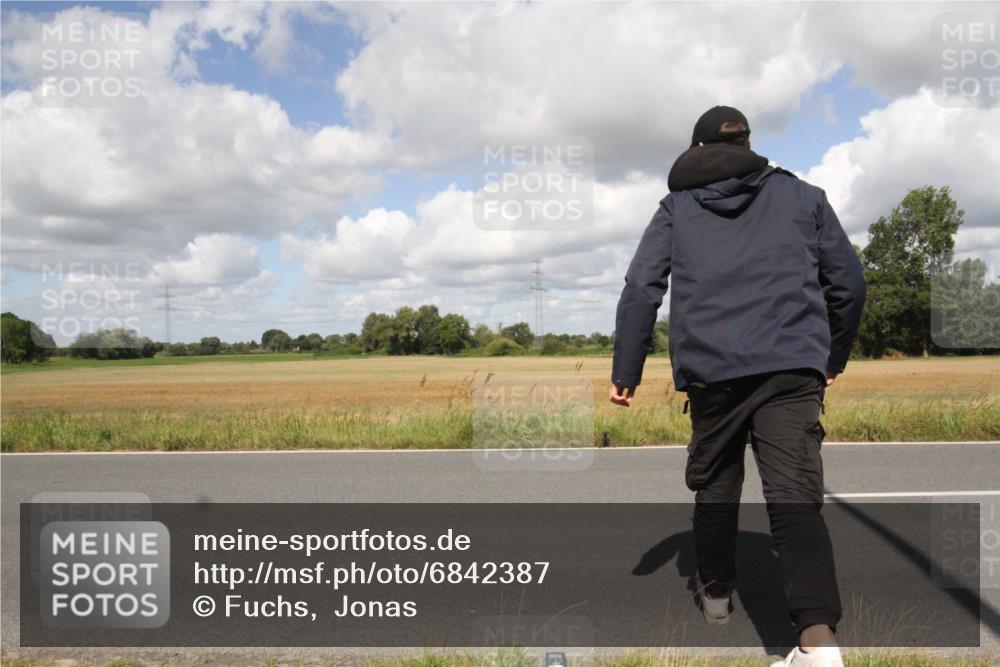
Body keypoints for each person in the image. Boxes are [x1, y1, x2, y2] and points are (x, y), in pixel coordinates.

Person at [609, 106, 866, 667]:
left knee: (717, 486)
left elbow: (642, 287)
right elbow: (848, 282)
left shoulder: (676, 208)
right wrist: (832, 358)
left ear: (698, 148)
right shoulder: (804, 196)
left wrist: (626, 371)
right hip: (792, 369)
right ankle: (819, 643)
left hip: (713, 372)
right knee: (796, 495)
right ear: (748, 144)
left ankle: (717, 595)